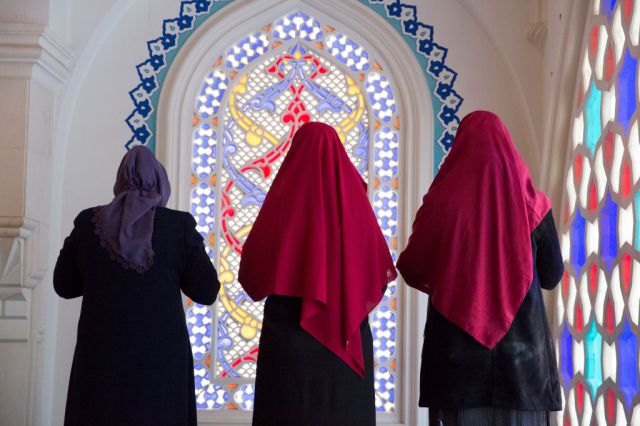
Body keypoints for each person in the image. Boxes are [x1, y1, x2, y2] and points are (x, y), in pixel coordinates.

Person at [396, 111, 563, 426]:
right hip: (523, 369)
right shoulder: (535, 206)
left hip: (455, 369)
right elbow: (552, 275)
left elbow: (412, 268)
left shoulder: (440, 205)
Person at [238, 122, 396, 426]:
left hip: (288, 341)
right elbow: (378, 275)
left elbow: (251, 275)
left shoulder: (281, 202)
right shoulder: (356, 205)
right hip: (346, 335)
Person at [54, 145, 220, 426]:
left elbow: (64, 285)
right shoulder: (178, 226)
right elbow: (206, 291)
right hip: (161, 364)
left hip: (101, 360)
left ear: (119, 182)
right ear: (161, 183)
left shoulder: (88, 223)